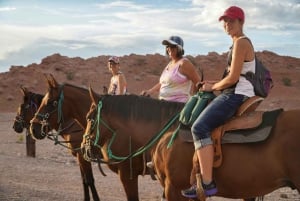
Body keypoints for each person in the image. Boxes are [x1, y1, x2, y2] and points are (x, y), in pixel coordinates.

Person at [181, 6, 255, 198]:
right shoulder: (236, 44)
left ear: (241, 22)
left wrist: (211, 88)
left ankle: (207, 183)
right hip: (233, 90)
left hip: (236, 95)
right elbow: (232, 77)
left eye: (231, 21)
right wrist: (212, 84)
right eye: (225, 21)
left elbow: (232, 80)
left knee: (199, 127)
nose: (227, 24)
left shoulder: (241, 43)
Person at [141, 36, 201, 103]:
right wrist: (150, 91)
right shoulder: (170, 64)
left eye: (172, 46)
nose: (169, 48)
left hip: (178, 106)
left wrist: (194, 98)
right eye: (167, 46)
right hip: (165, 104)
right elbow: (163, 83)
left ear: (179, 48)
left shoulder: (184, 63)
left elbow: (198, 83)